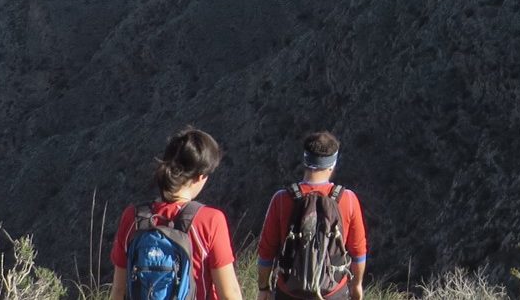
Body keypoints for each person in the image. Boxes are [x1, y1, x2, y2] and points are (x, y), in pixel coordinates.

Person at [112, 127, 244, 300]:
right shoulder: (210, 220)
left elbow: (119, 290)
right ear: (200, 176)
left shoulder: (133, 217)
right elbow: (229, 294)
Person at [256, 131, 368, 300]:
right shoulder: (348, 199)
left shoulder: (281, 199)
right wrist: (356, 285)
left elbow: (266, 251)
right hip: (333, 292)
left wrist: (263, 287)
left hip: (288, 291)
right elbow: (358, 251)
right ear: (332, 164)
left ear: (305, 161)